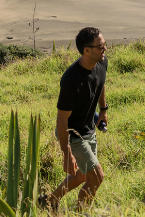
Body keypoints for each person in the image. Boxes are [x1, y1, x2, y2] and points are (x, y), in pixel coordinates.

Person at [47, 26, 108, 211]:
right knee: (96, 177)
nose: (104, 49)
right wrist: (67, 154)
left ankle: (49, 201)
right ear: (86, 50)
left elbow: (101, 82)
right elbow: (61, 120)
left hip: (89, 128)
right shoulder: (71, 80)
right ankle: (80, 213)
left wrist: (103, 109)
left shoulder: (102, 62)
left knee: (82, 176)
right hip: (72, 134)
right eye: (100, 46)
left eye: (104, 44)